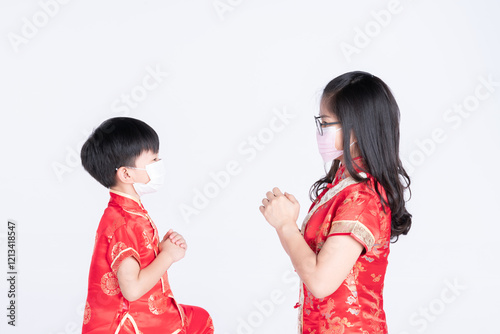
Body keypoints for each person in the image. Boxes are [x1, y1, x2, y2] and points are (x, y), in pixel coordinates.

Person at [259, 71, 412, 333]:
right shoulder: (343, 185)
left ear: (356, 128)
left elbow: (320, 281)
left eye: (325, 123)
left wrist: (286, 226)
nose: (319, 131)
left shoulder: (362, 197)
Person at [80, 117, 214, 334]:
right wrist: (168, 256)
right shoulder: (122, 222)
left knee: (198, 318)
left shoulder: (128, 211)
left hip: (143, 312)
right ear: (126, 173)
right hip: (128, 322)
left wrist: (159, 250)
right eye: (153, 160)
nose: (159, 165)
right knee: (197, 323)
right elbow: (132, 290)